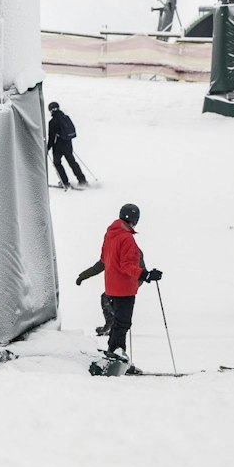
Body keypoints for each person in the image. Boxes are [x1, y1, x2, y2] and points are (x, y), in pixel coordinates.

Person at [96, 203, 161, 366]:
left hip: (111, 286)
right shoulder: (126, 238)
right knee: (122, 324)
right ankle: (115, 359)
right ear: (135, 219)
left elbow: (104, 258)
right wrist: (146, 274)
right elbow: (127, 265)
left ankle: (116, 357)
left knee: (119, 323)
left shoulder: (110, 234)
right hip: (124, 288)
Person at [47, 101, 88, 189]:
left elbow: (51, 137)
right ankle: (82, 180)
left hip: (58, 146)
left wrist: (47, 148)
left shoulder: (52, 122)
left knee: (57, 163)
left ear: (50, 110)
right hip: (68, 144)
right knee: (72, 162)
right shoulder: (66, 117)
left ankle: (64, 182)